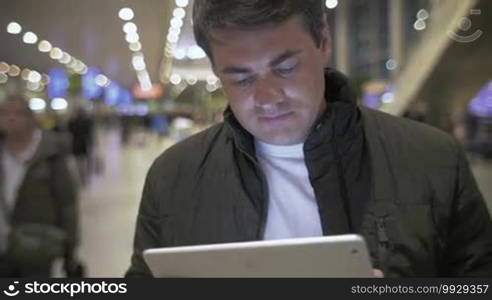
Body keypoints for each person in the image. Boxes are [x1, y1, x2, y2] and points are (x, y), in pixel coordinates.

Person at [126, 0, 492, 277]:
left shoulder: (431, 159)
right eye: (241, 78)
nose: (268, 97)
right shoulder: (173, 177)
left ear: (324, 42)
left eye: (285, 68)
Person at [0, 95, 80, 277]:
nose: (10, 118)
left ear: (31, 118)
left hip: (37, 246)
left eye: (18, 113)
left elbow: (67, 203)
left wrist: (71, 249)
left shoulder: (51, 155)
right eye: (4, 113)